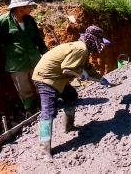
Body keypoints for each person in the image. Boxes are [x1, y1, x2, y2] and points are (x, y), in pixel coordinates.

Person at [32, 25, 111, 160]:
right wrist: (80, 74)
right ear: (93, 40)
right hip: (46, 78)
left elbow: (87, 67)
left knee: (71, 96)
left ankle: (69, 127)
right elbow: (66, 69)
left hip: (56, 78)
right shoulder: (81, 49)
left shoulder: (82, 48)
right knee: (48, 112)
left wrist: (101, 79)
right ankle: (44, 150)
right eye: (99, 42)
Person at [0, 0, 48, 115]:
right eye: (29, 6)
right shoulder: (2, 22)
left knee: (40, 82)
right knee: (24, 89)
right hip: (16, 63)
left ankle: (46, 105)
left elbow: (37, 38)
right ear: (21, 8)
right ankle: (30, 110)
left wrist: (45, 53)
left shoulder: (29, 20)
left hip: (34, 58)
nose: (31, 8)